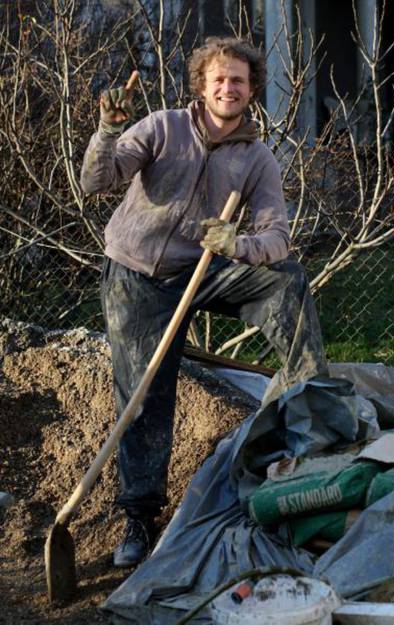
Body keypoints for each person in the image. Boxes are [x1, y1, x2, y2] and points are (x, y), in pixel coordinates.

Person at [80, 37, 328, 568]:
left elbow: (277, 238)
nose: (228, 88)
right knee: (144, 395)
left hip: (205, 267)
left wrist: (235, 245)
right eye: (219, 79)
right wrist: (106, 133)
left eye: (238, 80)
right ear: (203, 85)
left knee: (285, 280)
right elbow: (95, 181)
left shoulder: (256, 156)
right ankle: (140, 519)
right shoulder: (163, 127)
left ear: (252, 89)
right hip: (137, 276)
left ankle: (313, 407)